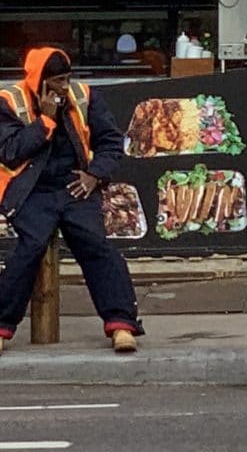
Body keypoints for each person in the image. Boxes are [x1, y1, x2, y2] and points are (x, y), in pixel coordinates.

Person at [0, 47, 142, 353]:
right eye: (55, 82)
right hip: (30, 190)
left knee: (96, 244)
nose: (63, 88)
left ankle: (121, 324)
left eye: (66, 79)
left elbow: (110, 142)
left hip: (76, 186)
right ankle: (2, 326)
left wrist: (95, 175)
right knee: (30, 248)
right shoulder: (11, 101)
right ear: (39, 81)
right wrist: (45, 122)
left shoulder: (85, 96)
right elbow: (10, 150)